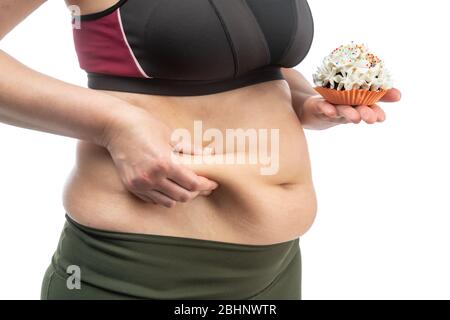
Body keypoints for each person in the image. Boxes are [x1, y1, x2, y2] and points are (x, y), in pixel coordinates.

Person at [0, 0, 401, 300]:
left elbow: (253, 63)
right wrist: (113, 124)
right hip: (136, 271)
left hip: (275, 272)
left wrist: (303, 101)